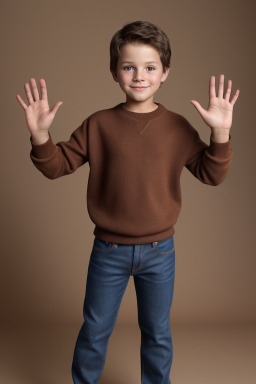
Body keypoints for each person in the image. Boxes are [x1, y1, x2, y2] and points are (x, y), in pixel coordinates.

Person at [16, 20, 240, 384]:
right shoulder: (98, 124)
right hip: (108, 251)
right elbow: (57, 166)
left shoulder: (178, 127)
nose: (140, 76)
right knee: (95, 331)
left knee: (157, 333)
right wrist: (41, 135)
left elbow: (212, 174)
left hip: (160, 252)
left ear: (165, 73)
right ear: (114, 72)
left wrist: (221, 133)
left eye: (150, 67)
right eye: (129, 67)